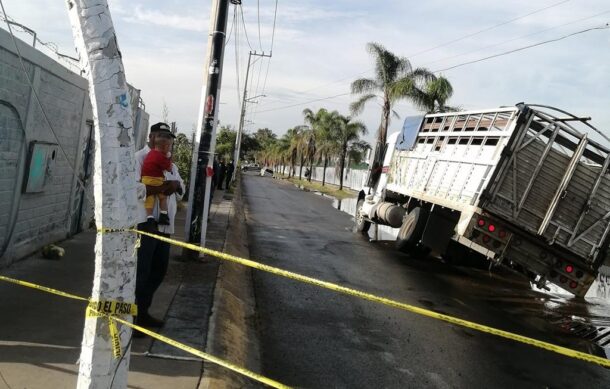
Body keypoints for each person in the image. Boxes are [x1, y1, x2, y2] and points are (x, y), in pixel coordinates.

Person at [134, 122, 184, 330]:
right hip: (146, 224)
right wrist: (163, 187)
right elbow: (135, 189)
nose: (166, 141)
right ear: (151, 137)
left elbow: (181, 188)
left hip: (165, 227)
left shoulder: (171, 163)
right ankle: (133, 318)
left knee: (159, 270)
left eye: (169, 138)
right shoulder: (139, 158)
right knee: (141, 272)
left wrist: (175, 186)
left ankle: (143, 312)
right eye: (162, 136)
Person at [140, 135, 172, 226]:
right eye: (169, 146)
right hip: (156, 180)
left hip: (145, 179)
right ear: (165, 146)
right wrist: (169, 158)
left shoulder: (151, 153)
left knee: (149, 199)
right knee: (163, 197)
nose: (170, 148)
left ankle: (149, 217)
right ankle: (164, 215)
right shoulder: (161, 157)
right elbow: (169, 169)